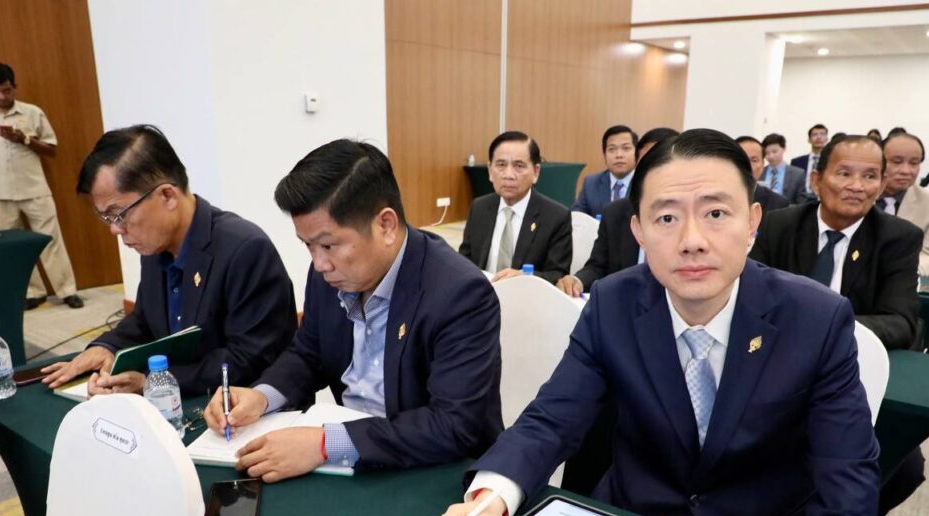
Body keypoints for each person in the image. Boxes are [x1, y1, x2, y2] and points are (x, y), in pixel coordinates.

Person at [436, 129, 880, 516]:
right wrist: (494, 497)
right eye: (666, 218)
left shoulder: (815, 319)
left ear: (752, 223)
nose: (692, 240)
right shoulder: (612, 303)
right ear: (639, 231)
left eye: (715, 213)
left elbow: (848, 479)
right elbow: (552, 418)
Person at [203, 140, 502, 481]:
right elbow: (308, 354)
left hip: (435, 471)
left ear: (386, 225)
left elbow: (452, 426)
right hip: (351, 464)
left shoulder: (459, 293)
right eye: (308, 245)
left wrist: (325, 444)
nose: (319, 263)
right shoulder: (328, 276)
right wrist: (261, 396)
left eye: (328, 245)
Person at [41, 125, 296, 396]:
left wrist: (152, 382)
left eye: (119, 214)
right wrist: (106, 347)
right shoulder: (155, 247)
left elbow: (249, 360)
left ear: (167, 196)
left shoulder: (245, 249)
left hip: (238, 406)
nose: (115, 229)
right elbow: (144, 322)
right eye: (106, 217)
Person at [750, 134, 922, 351]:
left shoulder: (898, 237)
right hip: (780, 347)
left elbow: (901, 323)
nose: (857, 186)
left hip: (851, 353)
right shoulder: (779, 225)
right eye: (844, 174)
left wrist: (825, 328)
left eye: (870, 176)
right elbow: (751, 295)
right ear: (816, 181)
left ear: (880, 187)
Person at [0, 63, 82, 310]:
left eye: (6, 90)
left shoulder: (33, 112)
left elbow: (51, 149)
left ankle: (68, 291)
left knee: (50, 240)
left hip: (35, 189)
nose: (1, 96)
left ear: (14, 86)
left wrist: (24, 139)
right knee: (13, 246)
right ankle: (33, 293)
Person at [556, 128, 679, 297]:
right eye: (646, 163)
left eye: (663, 162)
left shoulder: (696, 220)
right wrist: (577, 280)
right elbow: (597, 267)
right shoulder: (615, 212)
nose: (654, 171)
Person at [458, 131, 571, 284]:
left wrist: (524, 277)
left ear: (536, 172)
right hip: (481, 293)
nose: (508, 175)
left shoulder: (556, 216)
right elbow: (464, 262)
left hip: (527, 295)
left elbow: (558, 275)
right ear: (490, 170)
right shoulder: (479, 207)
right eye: (501, 165)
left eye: (518, 166)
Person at [882, 131, 929, 356]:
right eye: (896, 161)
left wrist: (899, 271)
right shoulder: (858, 195)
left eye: (914, 163)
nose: (906, 170)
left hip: (901, 291)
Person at [571, 125, 639, 217]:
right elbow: (577, 216)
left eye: (626, 148)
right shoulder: (591, 184)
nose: (619, 155)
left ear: (637, 153)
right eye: (612, 149)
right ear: (604, 155)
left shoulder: (645, 183)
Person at [735, 136, 791, 213]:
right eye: (741, 159)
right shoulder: (718, 196)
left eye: (754, 160)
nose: (747, 165)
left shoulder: (778, 204)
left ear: (762, 165)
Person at [761, 134, 808, 204]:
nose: (771, 156)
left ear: (784, 149)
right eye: (767, 153)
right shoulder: (760, 172)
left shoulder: (798, 174)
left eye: (774, 151)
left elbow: (801, 203)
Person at [791, 123, 829, 197]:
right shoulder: (797, 162)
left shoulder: (830, 161)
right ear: (809, 140)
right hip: (802, 198)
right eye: (815, 135)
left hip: (823, 196)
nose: (818, 137)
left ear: (826, 139)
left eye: (822, 134)